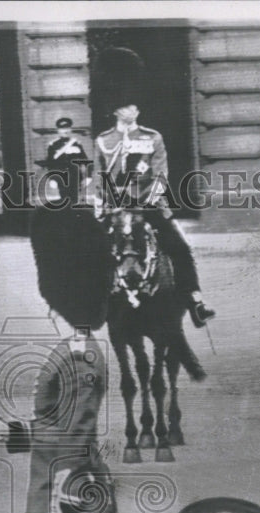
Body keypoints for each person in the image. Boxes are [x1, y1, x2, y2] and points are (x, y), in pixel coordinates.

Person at [0, 204, 117, 513]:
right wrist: (8, 430)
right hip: (56, 491)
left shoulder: (80, 356)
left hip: (67, 492)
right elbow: (55, 422)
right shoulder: (70, 349)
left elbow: (73, 433)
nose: (50, 311)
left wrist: (62, 508)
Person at [90, 47, 215, 329]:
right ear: (115, 109)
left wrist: (148, 199)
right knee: (88, 252)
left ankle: (195, 301)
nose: (132, 109)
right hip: (115, 208)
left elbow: (160, 175)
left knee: (180, 248)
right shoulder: (103, 141)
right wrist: (106, 201)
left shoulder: (153, 137)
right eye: (126, 105)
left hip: (149, 207)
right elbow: (99, 177)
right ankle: (88, 309)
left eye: (134, 105)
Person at [41, 116, 89, 204]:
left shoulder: (77, 143)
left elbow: (85, 161)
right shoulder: (53, 145)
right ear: (58, 130)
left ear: (70, 129)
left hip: (75, 177)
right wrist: (52, 179)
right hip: (61, 178)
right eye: (62, 129)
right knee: (63, 200)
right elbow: (50, 164)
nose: (65, 131)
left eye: (67, 128)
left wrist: (88, 177)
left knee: (74, 200)